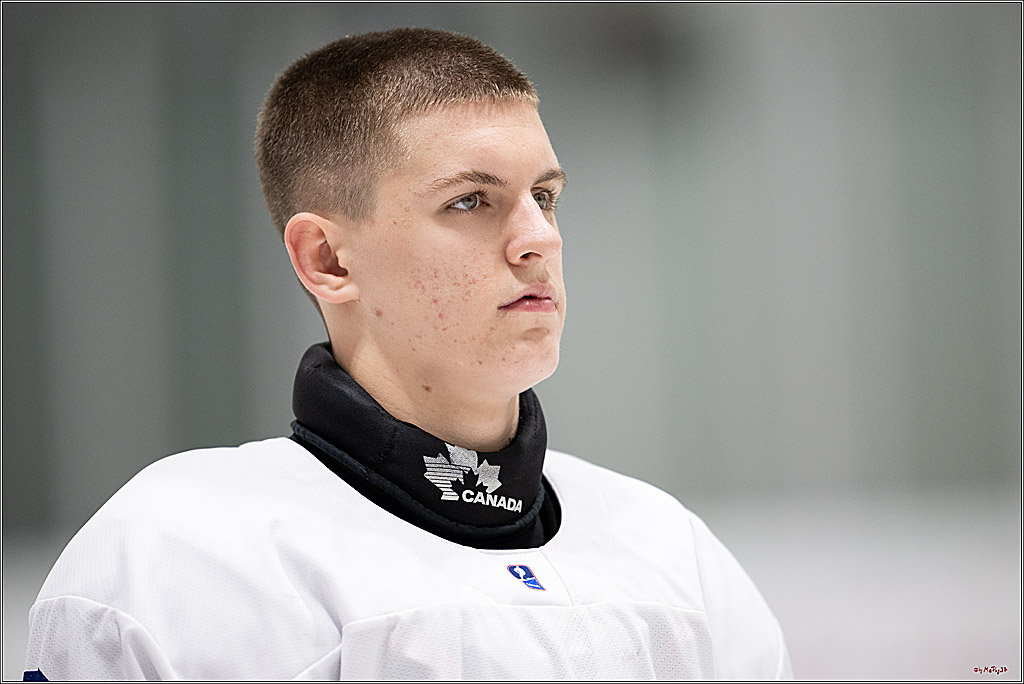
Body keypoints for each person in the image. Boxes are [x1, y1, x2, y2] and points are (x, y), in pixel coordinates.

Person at [23, 28, 792, 680]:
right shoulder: (174, 553)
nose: (539, 239)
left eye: (545, 196)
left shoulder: (670, 549)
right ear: (327, 258)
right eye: (471, 200)